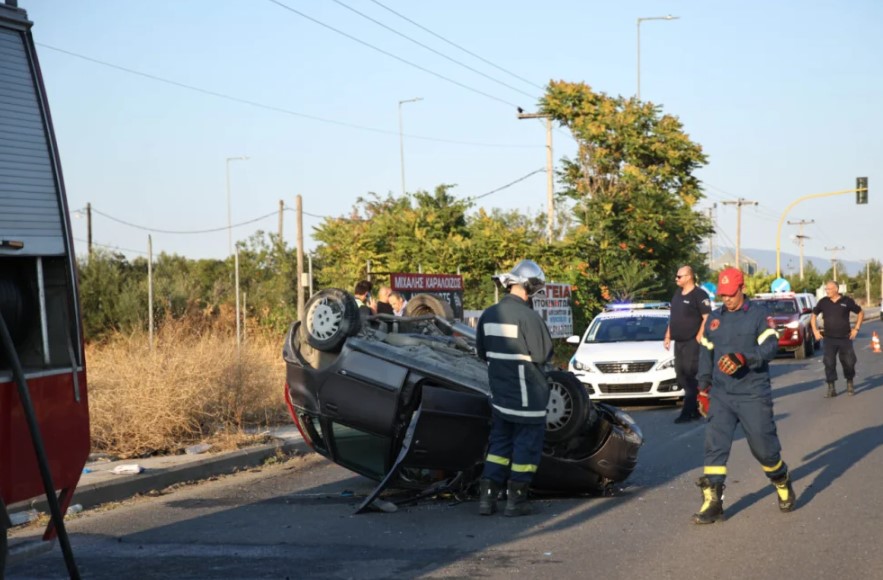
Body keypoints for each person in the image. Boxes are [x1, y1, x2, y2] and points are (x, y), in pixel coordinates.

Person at [693, 267, 795, 524]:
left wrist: (744, 358)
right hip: (721, 394)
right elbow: (706, 354)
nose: (726, 298)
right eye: (723, 294)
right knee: (714, 448)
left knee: (764, 451)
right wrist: (703, 389)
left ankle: (781, 479)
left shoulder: (759, 316)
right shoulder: (715, 319)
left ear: (742, 289)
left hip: (753, 393)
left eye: (730, 294)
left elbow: (771, 347)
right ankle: (713, 503)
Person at [475, 259, 553, 517]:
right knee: (526, 448)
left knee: (499, 444)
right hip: (528, 394)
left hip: (501, 394)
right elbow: (542, 355)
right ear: (529, 286)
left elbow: (482, 352)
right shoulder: (528, 316)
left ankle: (487, 498)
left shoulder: (488, 314)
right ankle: (516, 501)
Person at [664, 265, 712, 424]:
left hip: (692, 341)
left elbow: (707, 317)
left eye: (679, 276)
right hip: (679, 342)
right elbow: (673, 317)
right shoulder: (677, 294)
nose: (676, 279)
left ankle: (687, 412)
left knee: (690, 375)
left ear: (689, 277)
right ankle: (696, 407)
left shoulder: (699, 295)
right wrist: (668, 335)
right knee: (680, 374)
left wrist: (699, 335)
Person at [810, 280, 864, 397]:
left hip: (845, 338)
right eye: (826, 289)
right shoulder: (823, 302)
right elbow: (813, 315)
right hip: (829, 339)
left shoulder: (847, 301)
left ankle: (850, 383)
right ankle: (831, 388)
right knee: (829, 363)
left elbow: (860, 313)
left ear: (836, 289)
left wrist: (856, 328)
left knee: (849, 362)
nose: (827, 291)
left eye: (829, 289)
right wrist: (815, 331)